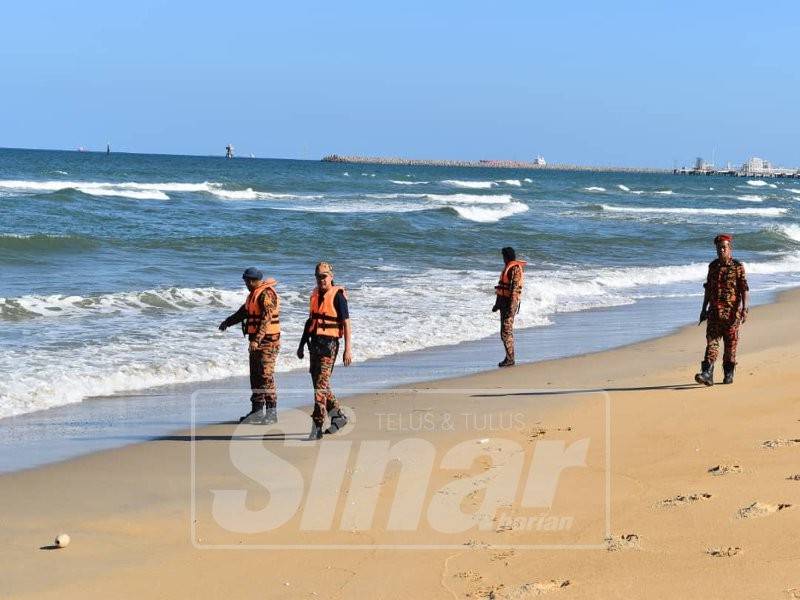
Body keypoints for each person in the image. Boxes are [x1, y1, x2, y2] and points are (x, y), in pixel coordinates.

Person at [297, 262, 352, 440]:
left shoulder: (338, 296)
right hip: (315, 344)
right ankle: (338, 416)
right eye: (318, 276)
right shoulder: (314, 294)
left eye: (324, 276)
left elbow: (346, 323)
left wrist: (347, 349)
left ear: (331, 276)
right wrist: (301, 344)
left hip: (330, 345)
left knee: (320, 387)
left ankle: (317, 426)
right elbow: (310, 321)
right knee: (320, 384)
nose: (321, 279)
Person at [218, 267, 281, 423]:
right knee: (256, 376)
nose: (245, 284)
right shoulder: (253, 295)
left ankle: (272, 413)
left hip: (268, 342)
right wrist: (228, 322)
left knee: (266, 376)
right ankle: (257, 412)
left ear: (252, 281)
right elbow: (243, 312)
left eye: (246, 281)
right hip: (256, 342)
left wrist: (257, 339)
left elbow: (267, 318)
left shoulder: (266, 294)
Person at [695, 234, 749, 386]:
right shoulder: (712, 267)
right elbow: (708, 289)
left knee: (730, 347)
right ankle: (707, 374)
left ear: (729, 249)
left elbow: (744, 288)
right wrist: (703, 309)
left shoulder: (737, 267)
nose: (721, 251)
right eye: (719, 248)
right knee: (711, 343)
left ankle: (728, 373)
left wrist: (745, 309)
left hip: (732, 315)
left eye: (724, 248)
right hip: (714, 313)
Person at [492, 247, 526, 367]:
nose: (503, 259)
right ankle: (509, 357)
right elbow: (502, 288)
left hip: (509, 304)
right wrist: (497, 305)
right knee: (504, 332)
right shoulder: (508, 267)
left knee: (506, 332)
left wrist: (511, 309)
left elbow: (514, 290)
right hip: (504, 303)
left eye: (503, 256)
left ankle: (510, 359)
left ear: (507, 257)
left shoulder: (515, 268)